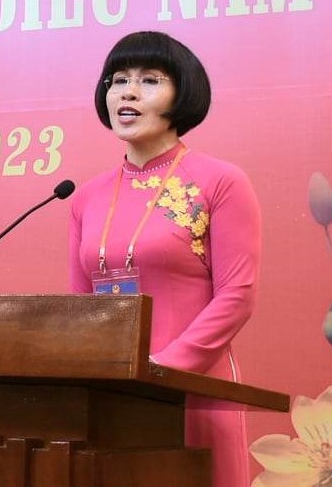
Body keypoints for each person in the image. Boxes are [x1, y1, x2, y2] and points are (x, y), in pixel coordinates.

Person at [68, 31, 261, 487]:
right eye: (119, 80)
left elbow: (236, 296)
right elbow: (80, 308)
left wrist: (162, 370)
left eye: (150, 80)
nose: (129, 92)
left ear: (182, 94)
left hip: (193, 390)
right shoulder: (86, 197)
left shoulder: (221, 182)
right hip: (114, 395)